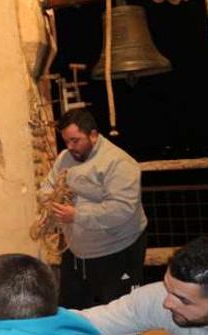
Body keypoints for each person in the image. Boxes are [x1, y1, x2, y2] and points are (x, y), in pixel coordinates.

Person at [43, 108, 147, 308]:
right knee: (72, 309)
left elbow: (121, 209)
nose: (70, 147)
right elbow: (48, 185)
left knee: (120, 311)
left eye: (75, 140)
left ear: (93, 134)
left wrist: (76, 215)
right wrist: (49, 198)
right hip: (77, 252)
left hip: (117, 251)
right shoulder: (65, 157)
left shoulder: (119, 163)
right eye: (66, 141)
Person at [81, 236, 208, 334]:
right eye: (167, 286)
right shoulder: (158, 296)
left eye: (183, 300)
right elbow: (82, 323)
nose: (167, 303)